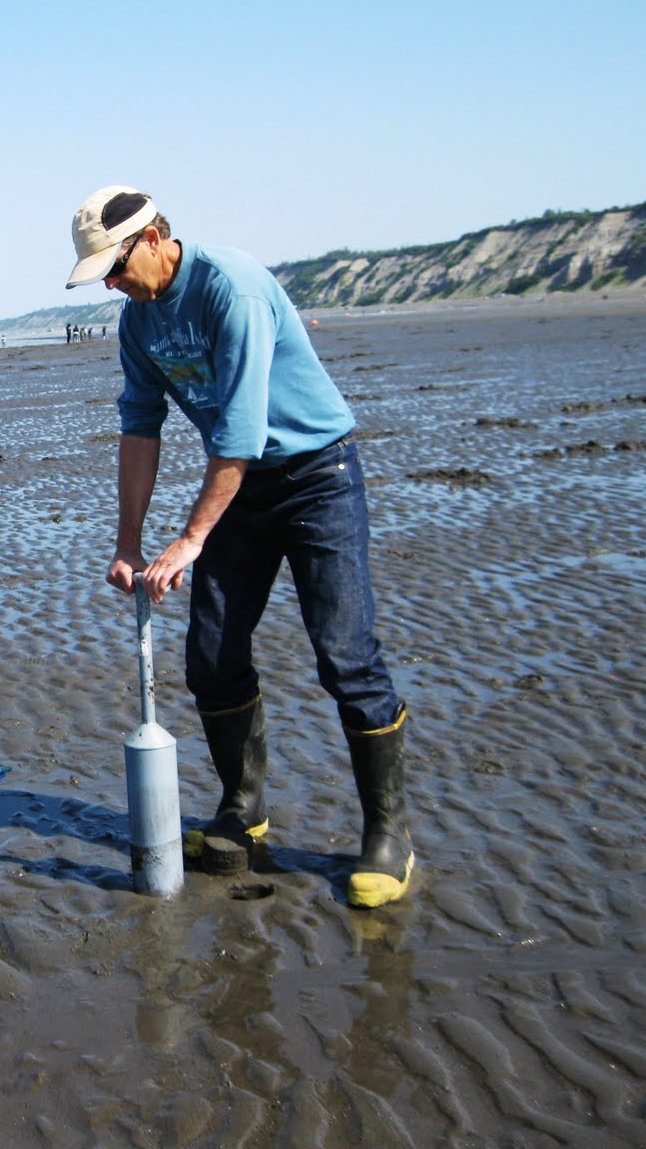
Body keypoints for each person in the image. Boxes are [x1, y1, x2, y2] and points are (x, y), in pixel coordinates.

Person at [65, 187, 415, 908]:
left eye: (116, 266)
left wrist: (191, 538)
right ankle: (242, 810)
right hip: (240, 490)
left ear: (155, 237)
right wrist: (129, 544)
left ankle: (388, 833)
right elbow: (140, 426)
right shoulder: (139, 323)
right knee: (213, 656)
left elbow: (241, 433)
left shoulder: (234, 289)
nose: (111, 283)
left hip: (316, 477)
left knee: (345, 656)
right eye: (100, 273)